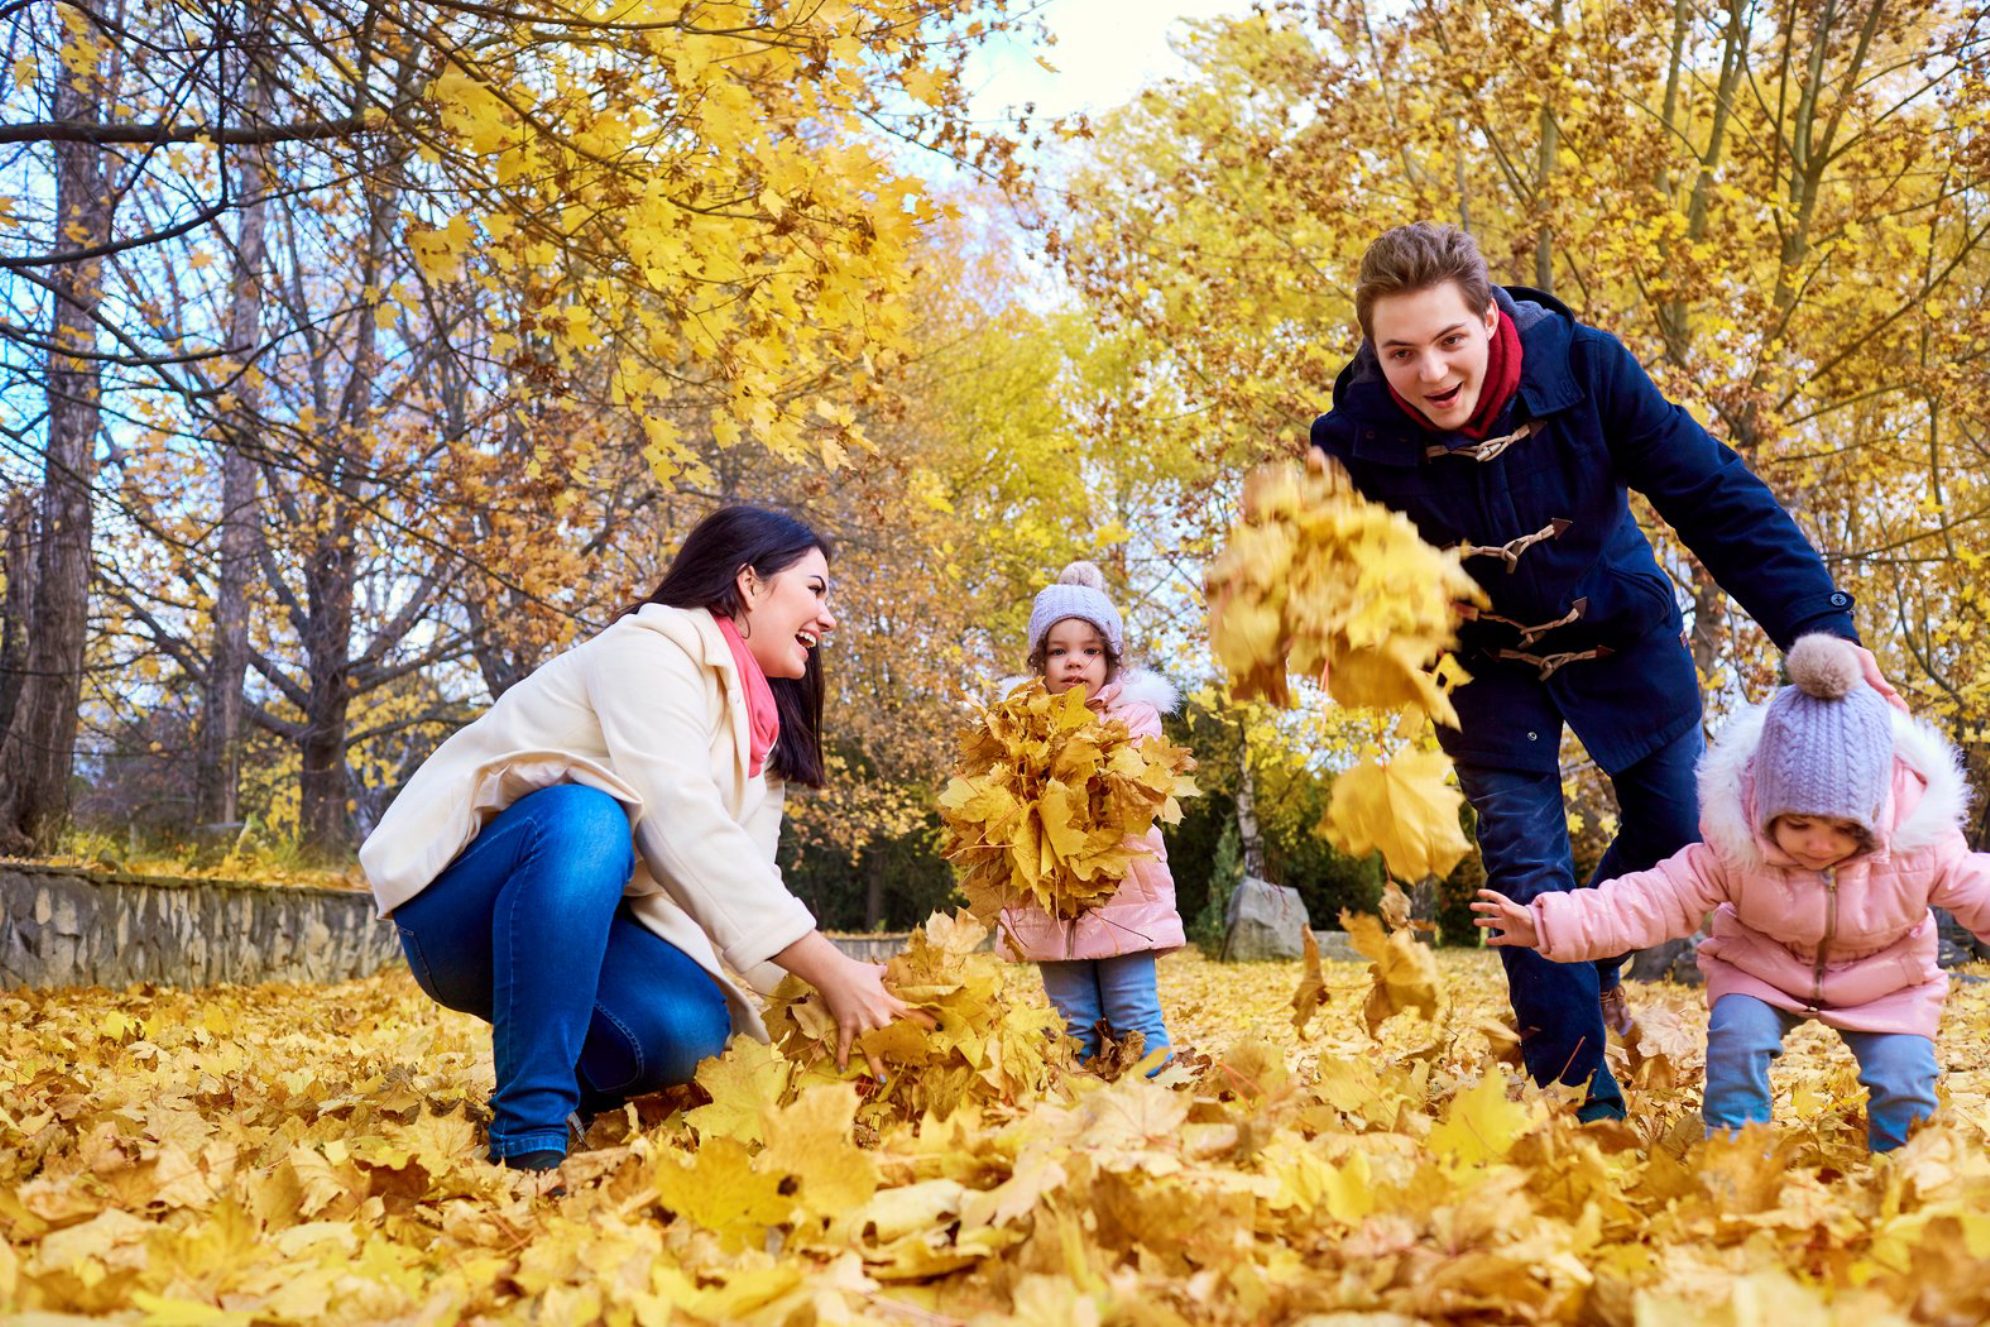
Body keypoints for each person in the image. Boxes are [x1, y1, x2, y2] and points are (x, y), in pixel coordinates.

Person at [1311, 222, 1861, 1121]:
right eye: (1401, 352)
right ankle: (1580, 1103)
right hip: (1483, 668)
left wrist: (1818, 622)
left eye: (1450, 340)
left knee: (1682, 827)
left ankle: (1593, 952)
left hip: (1617, 629)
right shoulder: (1352, 443)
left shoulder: (1590, 370)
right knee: (1527, 868)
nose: (1434, 373)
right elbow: (1338, 586)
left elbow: (1711, 493)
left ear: (1489, 319)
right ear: (1373, 354)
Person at [359, 505, 926, 1171]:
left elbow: (739, 881)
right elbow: (678, 821)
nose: (828, 617)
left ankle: (576, 1090)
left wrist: (829, 999)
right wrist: (832, 967)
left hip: (584, 923)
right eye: (816, 588)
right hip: (461, 913)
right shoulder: (649, 651)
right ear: (749, 583)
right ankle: (529, 1131)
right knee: (586, 818)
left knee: (696, 1032)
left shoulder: (761, 729)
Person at [1473, 635, 1990, 1151]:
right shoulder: (1735, 846)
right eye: (1799, 823)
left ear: (1875, 818)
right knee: (1736, 1045)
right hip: (1761, 970)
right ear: (1766, 808)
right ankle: (1735, 1159)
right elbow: (1649, 898)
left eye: (1842, 829)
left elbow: (1978, 888)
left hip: (1887, 983)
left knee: (1906, 1082)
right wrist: (1545, 922)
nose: (1818, 843)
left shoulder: (1919, 845)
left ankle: (1906, 1175)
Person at [995, 561, 1185, 1066]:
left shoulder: (1135, 715)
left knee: (1134, 1014)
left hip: (1123, 889)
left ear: (1111, 659)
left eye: (1089, 650)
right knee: (1072, 1022)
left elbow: (1135, 786)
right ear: (1040, 662)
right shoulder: (1018, 723)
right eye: (1059, 651)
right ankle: (1083, 1119)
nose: (1074, 662)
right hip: (1052, 895)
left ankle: (1158, 1106)